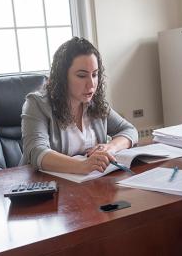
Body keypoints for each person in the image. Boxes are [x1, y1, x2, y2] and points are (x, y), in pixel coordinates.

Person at [19, 37, 138, 174]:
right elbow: (36, 151)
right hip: (46, 187)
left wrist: (110, 147)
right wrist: (81, 166)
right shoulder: (37, 103)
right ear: (62, 77)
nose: (91, 84)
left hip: (89, 184)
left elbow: (130, 130)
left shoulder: (94, 102)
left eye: (95, 75)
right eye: (82, 76)